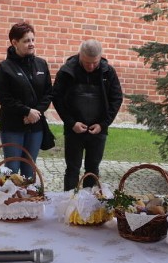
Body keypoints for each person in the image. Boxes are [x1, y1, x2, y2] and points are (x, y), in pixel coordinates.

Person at [52, 39, 124, 191]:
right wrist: (71, 123)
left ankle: (89, 205)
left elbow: (116, 98)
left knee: (92, 170)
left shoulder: (108, 72)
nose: (91, 67)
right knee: (72, 169)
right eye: (86, 62)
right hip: (74, 130)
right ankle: (69, 203)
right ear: (80, 55)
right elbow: (57, 98)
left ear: (100, 58)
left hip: (98, 130)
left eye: (95, 63)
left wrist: (103, 124)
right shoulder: (67, 71)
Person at [0, 22, 52, 177]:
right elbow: (4, 98)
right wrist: (26, 112)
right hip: (12, 126)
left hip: (35, 126)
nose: (31, 44)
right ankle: (9, 200)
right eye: (26, 41)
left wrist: (36, 113)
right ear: (14, 43)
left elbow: (48, 93)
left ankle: (28, 200)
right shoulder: (5, 68)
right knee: (12, 169)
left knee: (29, 169)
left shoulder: (41, 64)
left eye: (32, 40)